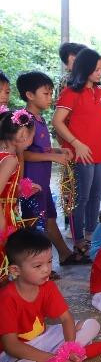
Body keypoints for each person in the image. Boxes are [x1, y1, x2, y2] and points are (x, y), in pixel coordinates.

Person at [0, 229, 101, 362]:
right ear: (16, 270)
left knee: (91, 324)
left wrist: (69, 347)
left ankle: (69, 355)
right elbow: (11, 346)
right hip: (19, 351)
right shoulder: (6, 298)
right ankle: (75, 356)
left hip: (44, 336)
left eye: (50, 261)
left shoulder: (47, 286)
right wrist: (51, 358)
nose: (46, 269)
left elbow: (66, 318)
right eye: (38, 266)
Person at [17, 72, 87, 268]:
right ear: (30, 95)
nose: (51, 98)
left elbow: (40, 149)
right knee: (35, 223)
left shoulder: (38, 119)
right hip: (31, 183)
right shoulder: (24, 119)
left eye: (51, 93)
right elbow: (22, 153)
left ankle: (64, 254)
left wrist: (57, 150)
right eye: (46, 94)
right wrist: (53, 157)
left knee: (49, 218)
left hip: (43, 181)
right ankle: (34, 267)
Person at [53, 48, 101, 256]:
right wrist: (76, 143)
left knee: (97, 196)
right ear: (85, 69)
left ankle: (90, 237)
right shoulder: (71, 92)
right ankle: (78, 241)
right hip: (82, 155)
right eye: (96, 69)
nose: (100, 73)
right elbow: (57, 122)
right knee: (81, 198)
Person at [0, 110, 38, 284]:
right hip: (4, 216)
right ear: (22, 135)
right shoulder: (10, 160)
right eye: (31, 137)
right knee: (5, 260)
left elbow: (6, 188)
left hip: (6, 211)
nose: (32, 141)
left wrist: (23, 189)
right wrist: (2, 221)